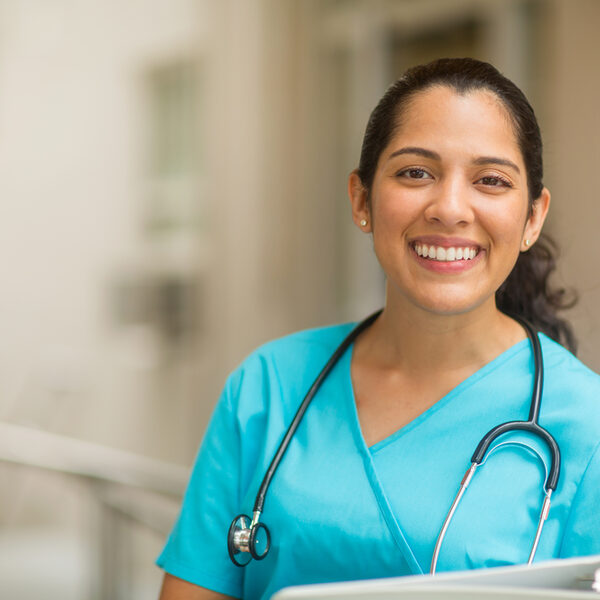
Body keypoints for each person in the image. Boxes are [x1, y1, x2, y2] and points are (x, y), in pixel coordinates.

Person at [156, 58, 600, 600]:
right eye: (416, 172)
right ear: (362, 199)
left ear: (533, 218)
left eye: (490, 180)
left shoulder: (586, 424)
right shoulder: (268, 387)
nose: (450, 208)